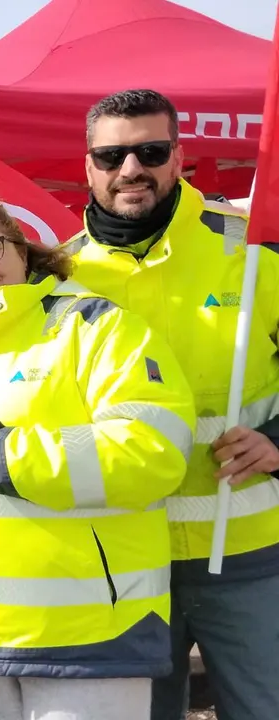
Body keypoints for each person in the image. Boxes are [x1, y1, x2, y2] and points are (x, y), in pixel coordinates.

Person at [0, 197, 195, 720]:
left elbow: (152, 450)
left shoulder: (94, 327)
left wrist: (7, 456)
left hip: (88, 637)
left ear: (22, 251)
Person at [64, 88, 279, 720]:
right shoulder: (58, 277)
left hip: (246, 556)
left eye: (150, 151)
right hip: (122, 563)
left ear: (179, 156)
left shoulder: (253, 250)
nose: (130, 169)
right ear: (89, 166)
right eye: (112, 157)